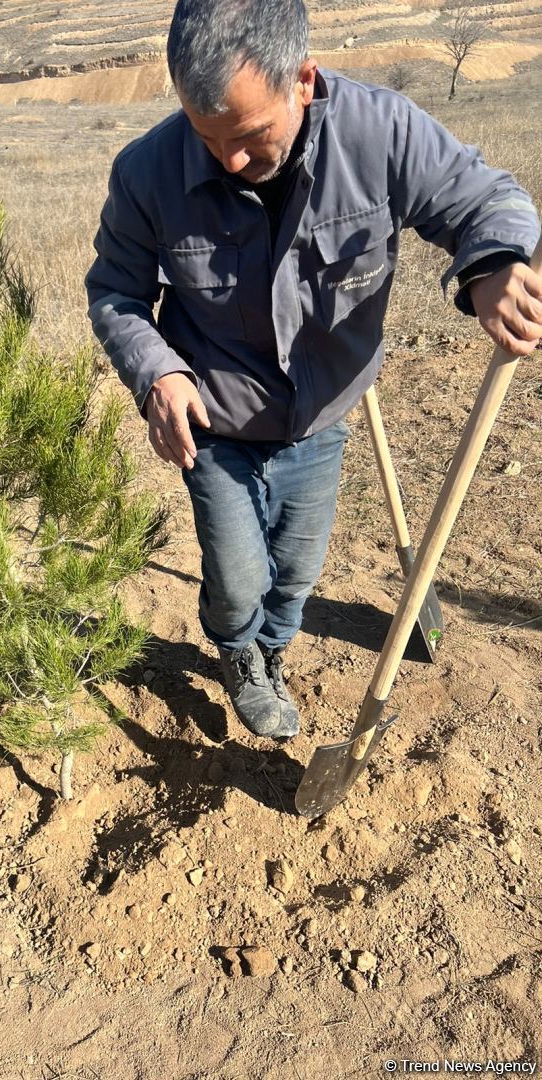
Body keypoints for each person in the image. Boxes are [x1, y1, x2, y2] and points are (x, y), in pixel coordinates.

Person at [85, 0, 542, 741]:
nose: (228, 161)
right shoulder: (146, 171)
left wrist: (491, 267)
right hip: (215, 420)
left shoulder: (381, 133)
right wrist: (157, 374)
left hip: (321, 416)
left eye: (249, 137)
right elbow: (115, 293)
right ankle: (238, 651)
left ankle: (274, 650)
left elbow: (484, 200)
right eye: (208, 140)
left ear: (303, 79)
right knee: (238, 578)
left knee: (296, 572)